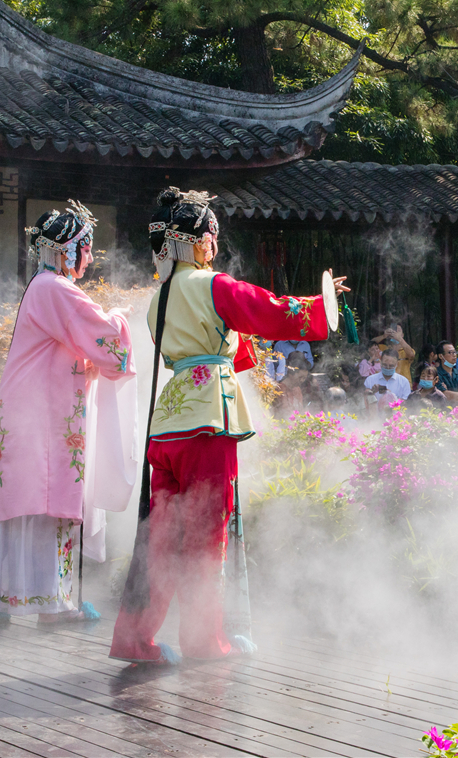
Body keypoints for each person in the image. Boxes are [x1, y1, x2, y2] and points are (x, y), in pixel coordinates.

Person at [111, 187, 347, 664]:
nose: (215, 245)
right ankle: (203, 640)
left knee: (160, 533)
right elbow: (267, 311)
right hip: (209, 420)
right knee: (204, 532)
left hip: (169, 420)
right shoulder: (211, 284)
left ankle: (134, 638)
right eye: (213, 236)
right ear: (200, 242)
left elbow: (213, 342)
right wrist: (321, 305)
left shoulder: (158, 299)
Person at [0, 202, 136, 625]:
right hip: (39, 414)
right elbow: (106, 338)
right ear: (67, 250)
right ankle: (47, 605)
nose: (90, 258)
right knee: (41, 501)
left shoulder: (42, 285)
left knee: (22, 504)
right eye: (86, 248)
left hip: (32, 408)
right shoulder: (55, 288)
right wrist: (119, 317)